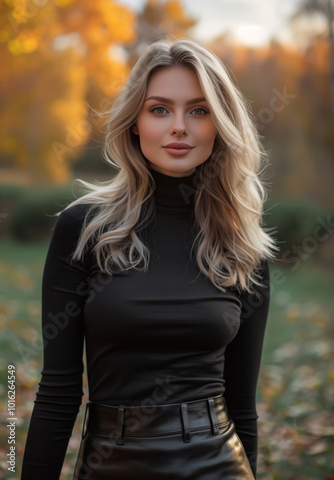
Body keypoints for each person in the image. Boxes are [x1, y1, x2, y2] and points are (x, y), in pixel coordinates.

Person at [21, 36, 276, 480]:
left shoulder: (242, 244)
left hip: (218, 464)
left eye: (199, 110)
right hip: (111, 463)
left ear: (220, 124)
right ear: (134, 122)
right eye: (160, 109)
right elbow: (59, 391)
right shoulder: (84, 229)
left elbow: (242, 405)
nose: (179, 126)